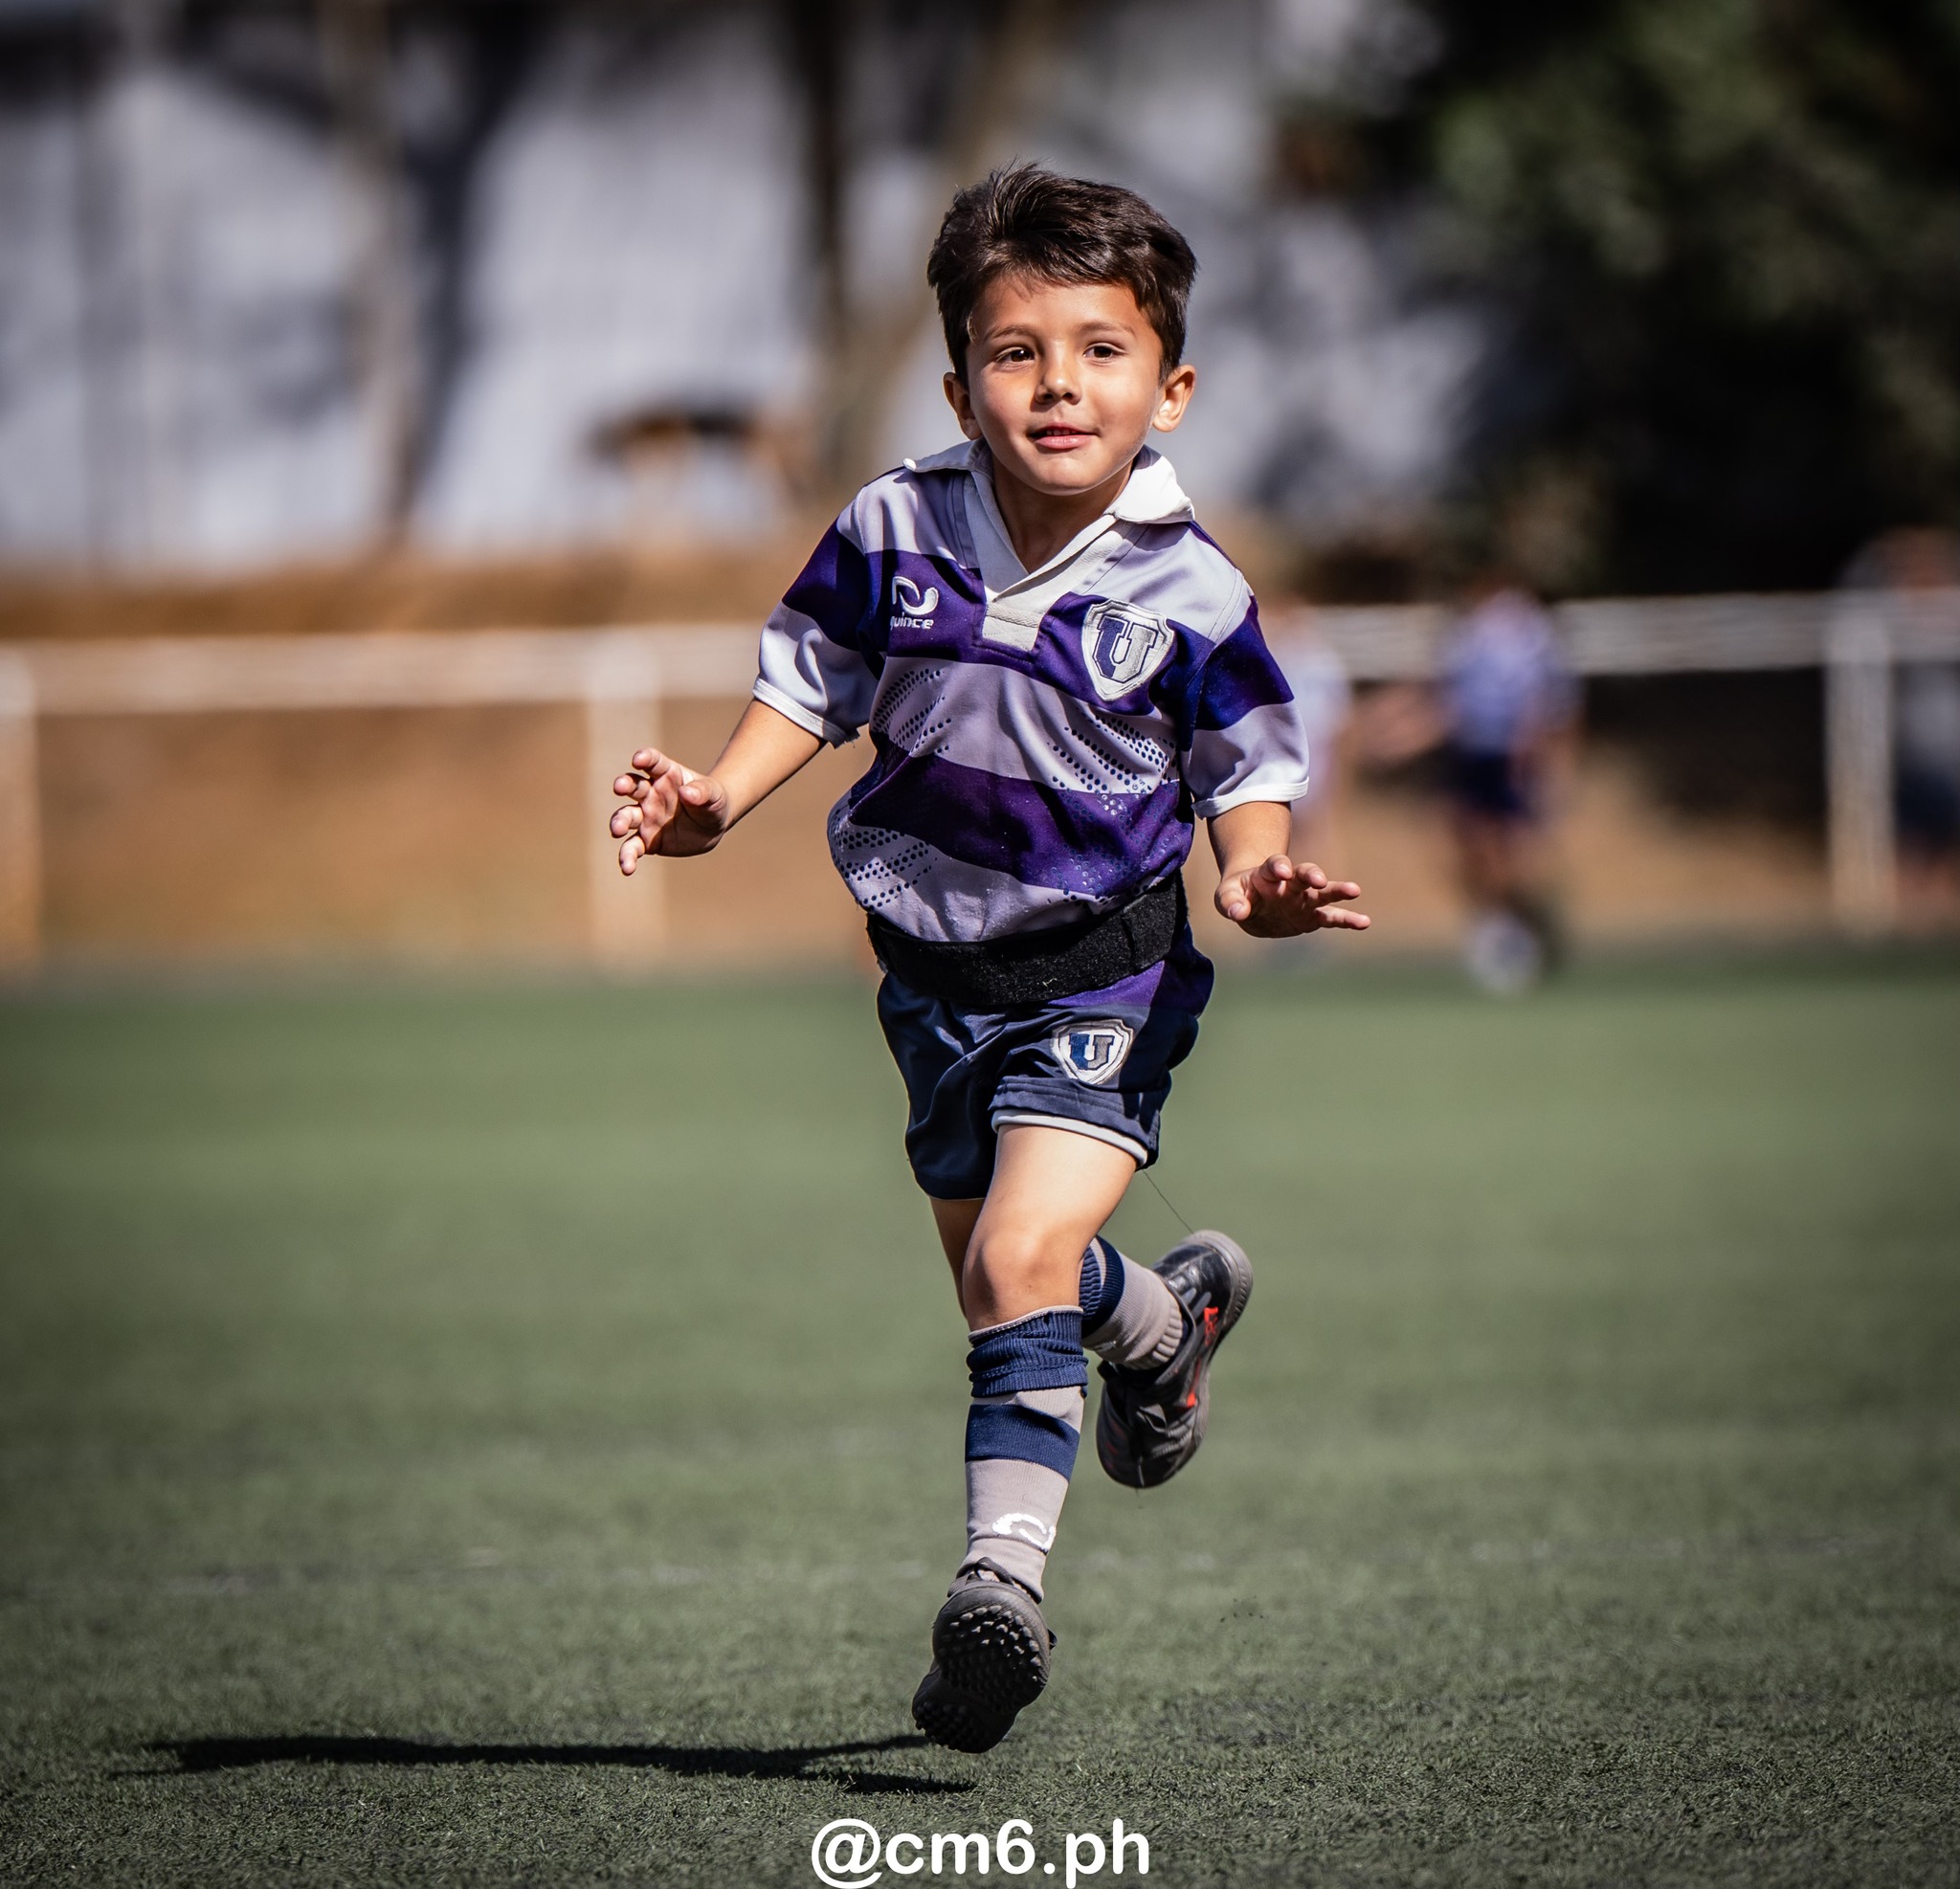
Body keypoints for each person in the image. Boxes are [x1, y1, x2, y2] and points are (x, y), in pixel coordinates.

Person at [606, 166, 1370, 1752]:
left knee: (1011, 1264)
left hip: (1108, 967)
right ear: (959, 383)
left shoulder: (1187, 582)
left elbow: (1243, 760)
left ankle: (996, 1592)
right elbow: (812, 677)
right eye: (1016, 352)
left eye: (1099, 349)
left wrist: (1254, 877)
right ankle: (1160, 1324)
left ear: (1169, 388)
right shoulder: (894, 524)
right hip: (930, 974)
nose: (1057, 383)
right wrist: (715, 801)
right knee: (1001, 1277)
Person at [1436, 573, 1578, 991]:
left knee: (1517, 854)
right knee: (1474, 850)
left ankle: (1530, 934)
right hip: (1473, 755)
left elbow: (1551, 700)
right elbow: (1451, 700)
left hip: (1513, 758)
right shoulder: (1465, 634)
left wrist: (1541, 755)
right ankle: (1502, 934)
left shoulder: (1527, 630)